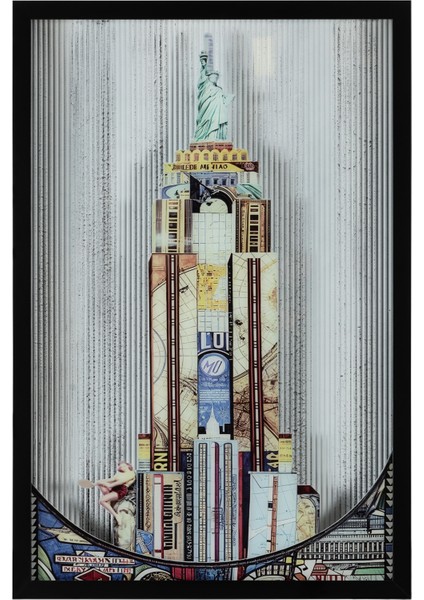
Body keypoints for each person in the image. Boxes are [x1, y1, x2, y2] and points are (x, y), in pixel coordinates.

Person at [193, 51, 234, 142]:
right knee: (206, 121)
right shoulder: (206, 85)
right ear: (209, 77)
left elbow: (224, 100)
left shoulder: (219, 89)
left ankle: (215, 137)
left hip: (217, 112)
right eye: (213, 77)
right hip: (207, 110)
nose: (215, 79)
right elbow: (203, 74)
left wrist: (229, 98)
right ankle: (205, 136)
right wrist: (204, 64)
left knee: (216, 122)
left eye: (216, 77)